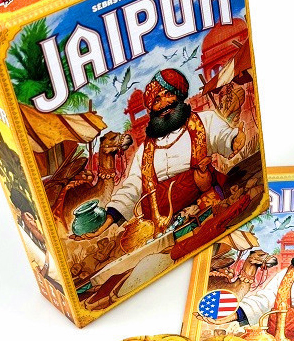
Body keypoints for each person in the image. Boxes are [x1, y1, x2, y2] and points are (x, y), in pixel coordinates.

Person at [76, 68, 245, 239]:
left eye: (168, 94)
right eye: (157, 100)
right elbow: (133, 187)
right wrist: (109, 218)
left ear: (178, 95)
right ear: (151, 108)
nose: (163, 104)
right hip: (163, 222)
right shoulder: (144, 151)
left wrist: (234, 140)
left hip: (205, 202)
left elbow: (222, 136)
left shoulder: (204, 121)